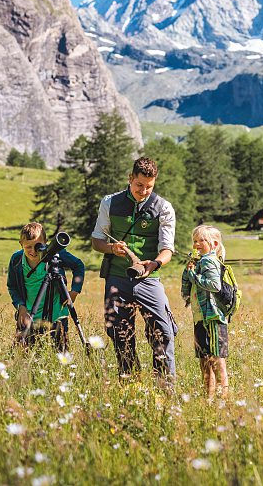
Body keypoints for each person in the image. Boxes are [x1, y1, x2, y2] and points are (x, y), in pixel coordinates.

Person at [91, 157, 177, 385]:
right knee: (120, 336)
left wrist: (155, 264)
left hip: (150, 279)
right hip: (117, 278)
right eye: (139, 185)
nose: (144, 191)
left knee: (164, 331)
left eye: (150, 186)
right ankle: (130, 384)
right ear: (130, 179)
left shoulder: (164, 208)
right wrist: (112, 248)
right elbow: (97, 241)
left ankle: (165, 386)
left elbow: (167, 249)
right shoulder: (109, 203)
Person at [7, 222, 85, 352]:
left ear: (46, 242)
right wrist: (20, 306)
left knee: (61, 355)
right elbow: (12, 286)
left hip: (57, 315)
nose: (33, 251)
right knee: (24, 356)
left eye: (38, 246)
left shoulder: (55, 254)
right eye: (28, 247)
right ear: (21, 244)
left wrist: (75, 291)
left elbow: (78, 265)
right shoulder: (16, 260)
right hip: (28, 317)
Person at [181, 225, 230, 400]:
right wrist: (189, 271)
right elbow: (187, 287)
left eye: (202, 240)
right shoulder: (200, 261)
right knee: (204, 359)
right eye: (195, 241)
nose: (197, 244)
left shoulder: (209, 261)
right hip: (201, 317)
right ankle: (208, 398)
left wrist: (193, 275)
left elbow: (214, 285)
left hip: (213, 317)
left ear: (214, 244)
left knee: (217, 360)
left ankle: (223, 397)